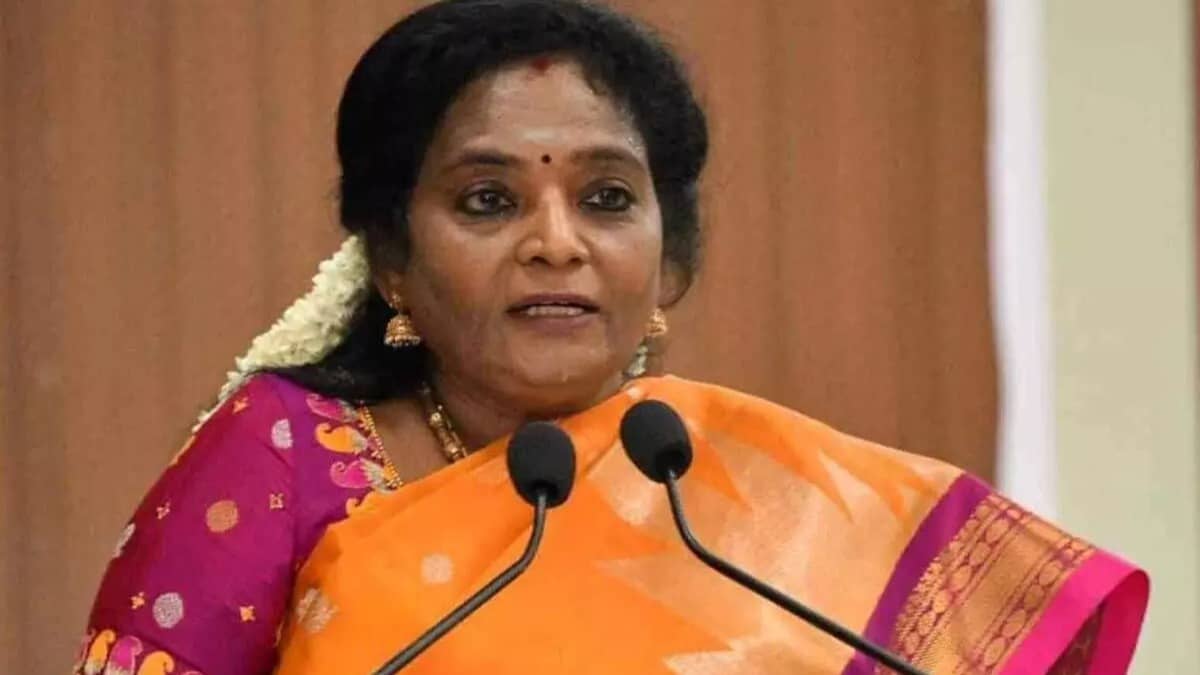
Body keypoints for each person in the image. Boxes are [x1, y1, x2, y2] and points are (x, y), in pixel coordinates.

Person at [74, 1, 1148, 673]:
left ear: (669, 258)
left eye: (607, 198)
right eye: (489, 201)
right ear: (391, 256)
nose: (558, 243)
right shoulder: (281, 457)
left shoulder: (729, 488)